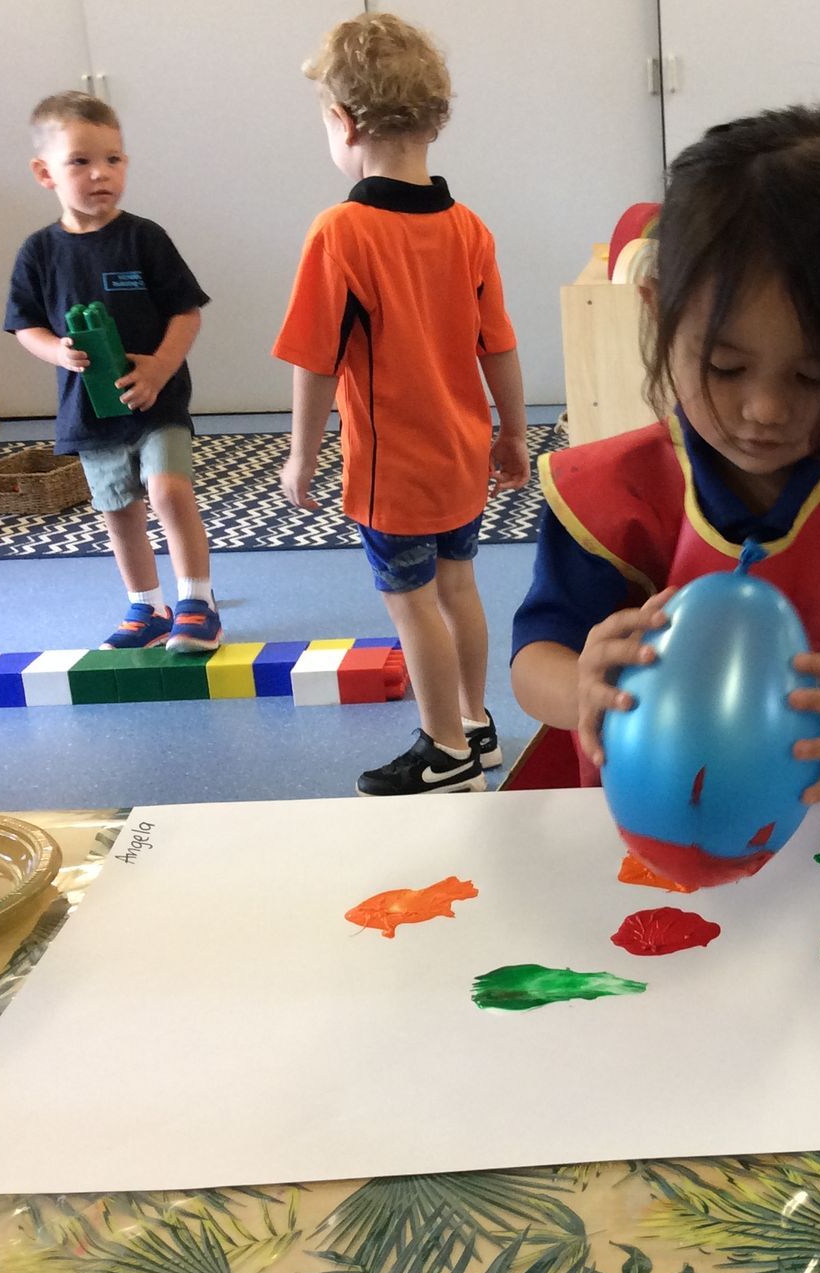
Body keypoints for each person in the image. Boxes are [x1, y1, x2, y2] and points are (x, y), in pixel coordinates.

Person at [512, 104, 820, 808]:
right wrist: (579, 685)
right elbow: (535, 659)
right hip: (659, 822)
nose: (766, 410)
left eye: (813, 375)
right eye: (726, 368)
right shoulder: (613, 496)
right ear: (657, 314)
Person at [276, 13, 529, 797]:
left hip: (395, 475)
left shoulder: (342, 232)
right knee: (459, 589)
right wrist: (514, 434)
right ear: (433, 121)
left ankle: (443, 749)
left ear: (342, 122)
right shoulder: (468, 228)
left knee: (409, 601)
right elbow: (500, 346)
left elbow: (316, 362)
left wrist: (299, 452)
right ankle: (477, 724)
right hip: (462, 456)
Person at [5, 91, 221, 653]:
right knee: (118, 509)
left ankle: (197, 601)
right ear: (44, 172)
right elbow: (25, 324)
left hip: (156, 400)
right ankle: (146, 606)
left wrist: (161, 368)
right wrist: (55, 352)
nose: (101, 173)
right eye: (80, 161)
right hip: (89, 409)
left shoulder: (144, 237)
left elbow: (186, 311)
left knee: (169, 489)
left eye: (114, 159)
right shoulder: (38, 253)